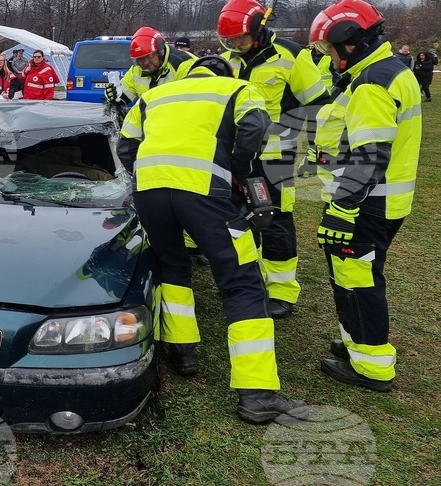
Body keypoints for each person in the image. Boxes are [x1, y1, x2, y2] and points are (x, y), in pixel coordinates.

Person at [117, 54, 307, 423]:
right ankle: (258, 394)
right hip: (207, 193)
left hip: (150, 192)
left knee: (172, 267)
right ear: (227, 71)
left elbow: (126, 148)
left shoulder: (157, 95)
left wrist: (150, 177)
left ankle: (183, 350)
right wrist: (238, 173)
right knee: (242, 281)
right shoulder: (239, 88)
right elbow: (255, 127)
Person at [309, 0, 421, 392]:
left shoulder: (372, 83)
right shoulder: (387, 71)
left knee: (358, 280)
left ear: (351, 41)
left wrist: (342, 208)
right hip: (381, 200)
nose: (329, 56)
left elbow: (370, 154)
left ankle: (371, 366)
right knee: (352, 275)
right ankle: (356, 343)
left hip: (366, 204)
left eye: (330, 47)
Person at [218, 0, 329, 319]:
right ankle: (248, 282)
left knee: (277, 220)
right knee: (238, 219)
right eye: (230, 40)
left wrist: (316, 149)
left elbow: (319, 106)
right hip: (235, 156)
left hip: (276, 157)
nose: (236, 44)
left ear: (259, 29)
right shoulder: (229, 60)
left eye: (241, 37)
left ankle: (281, 291)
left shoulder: (292, 56)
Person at [105, 27, 197, 108]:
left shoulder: (184, 65)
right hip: (153, 121)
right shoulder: (137, 69)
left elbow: (193, 104)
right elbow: (124, 96)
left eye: (150, 56)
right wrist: (114, 96)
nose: (145, 63)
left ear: (160, 52)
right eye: (141, 59)